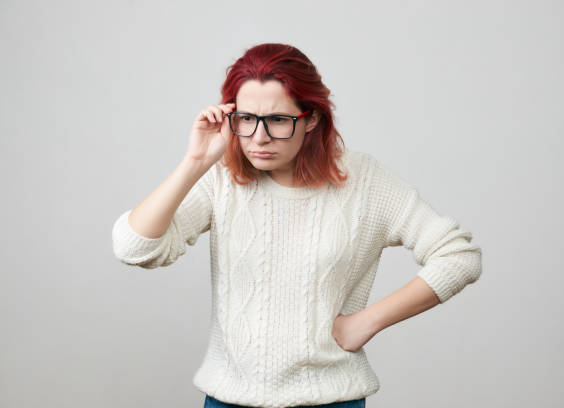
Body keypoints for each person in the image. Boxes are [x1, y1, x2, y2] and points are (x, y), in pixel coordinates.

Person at [111, 43, 483, 408]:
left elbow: (459, 256)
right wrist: (195, 161)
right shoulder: (221, 178)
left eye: (277, 120)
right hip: (228, 399)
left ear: (312, 118)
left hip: (331, 400)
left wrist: (367, 321)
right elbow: (134, 248)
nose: (259, 137)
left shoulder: (365, 182)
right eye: (245, 119)